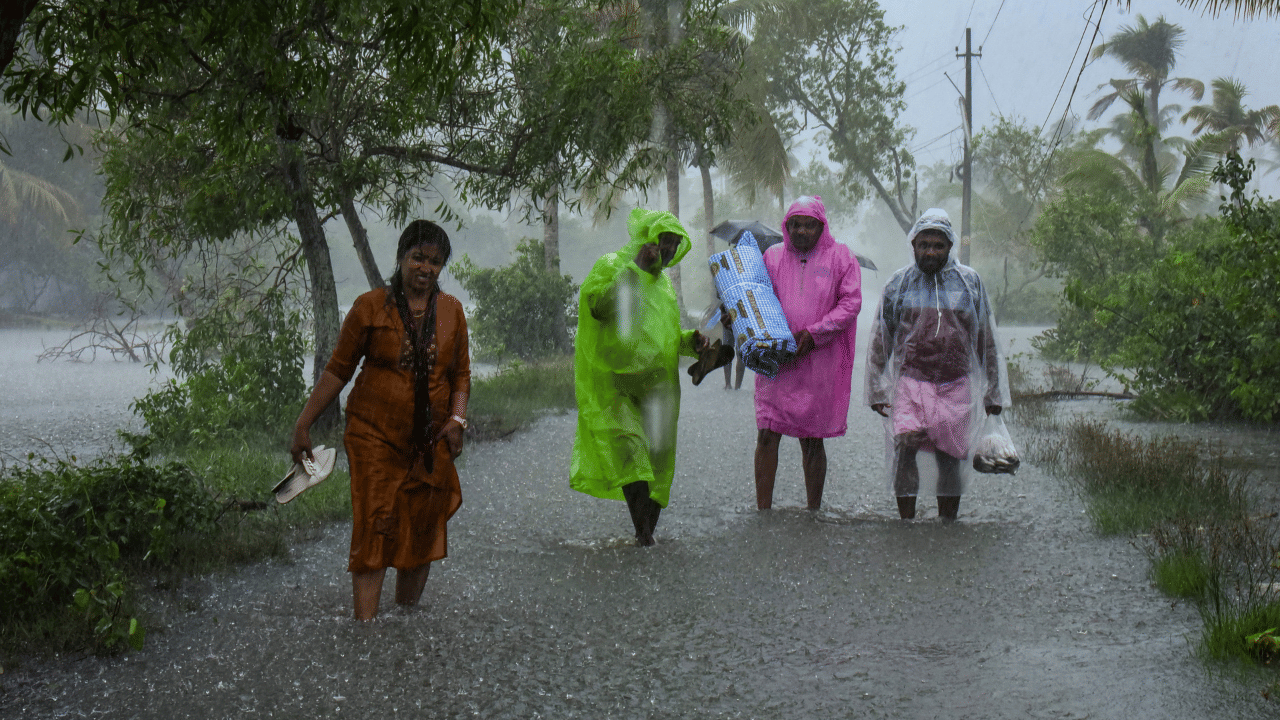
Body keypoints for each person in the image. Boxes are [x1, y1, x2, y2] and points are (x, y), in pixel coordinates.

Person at [290, 220, 470, 620]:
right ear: (401, 257)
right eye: (418, 257)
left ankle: (404, 624)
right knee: (375, 525)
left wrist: (458, 418)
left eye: (435, 262)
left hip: (429, 442)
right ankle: (366, 631)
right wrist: (304, 423)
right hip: (373, 436)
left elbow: (461, 375)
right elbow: (338, 370)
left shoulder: (452, 313)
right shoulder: (370, 307)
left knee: (421, 530)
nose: (425, 268)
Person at [571, 208, 710, 546]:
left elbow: (665, 337)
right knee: (633, 456)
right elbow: (597, 306)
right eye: (665, 242)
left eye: (675, 245)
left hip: (658, 391)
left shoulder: (663, 287)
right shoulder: (613, 266)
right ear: (648, 239)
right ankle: (643, 536)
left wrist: (693, 342)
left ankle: (645, 539)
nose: (668, 251)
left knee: (659, 465)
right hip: (616, 388)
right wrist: (635, 269)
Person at [864, 208, 1009, 521]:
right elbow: (881, 339)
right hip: (910, 383)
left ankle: (947, 525)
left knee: (950, 457)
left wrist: (995, 390)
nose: (930, 251)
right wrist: (875, 386)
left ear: (950, 246)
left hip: (955, 384)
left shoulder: (969, 283)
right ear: (913, 245)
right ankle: (906, 523)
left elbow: (986, 339)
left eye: (938, 245)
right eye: (924, 244)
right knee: (905, 446)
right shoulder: (898, 284)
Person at [753, 196, 863, 510]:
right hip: (778, 362)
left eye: (808, 224)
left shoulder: (841, 257)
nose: (802, 231)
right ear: (786, 227)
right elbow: (758, 297)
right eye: (795, 225)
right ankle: (763, 510)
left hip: (817, 364)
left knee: (812, 438)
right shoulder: (772, 257)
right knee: (766, 433)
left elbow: (851, 303)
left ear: (821, 225)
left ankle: (813, 510)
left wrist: (815, 334)